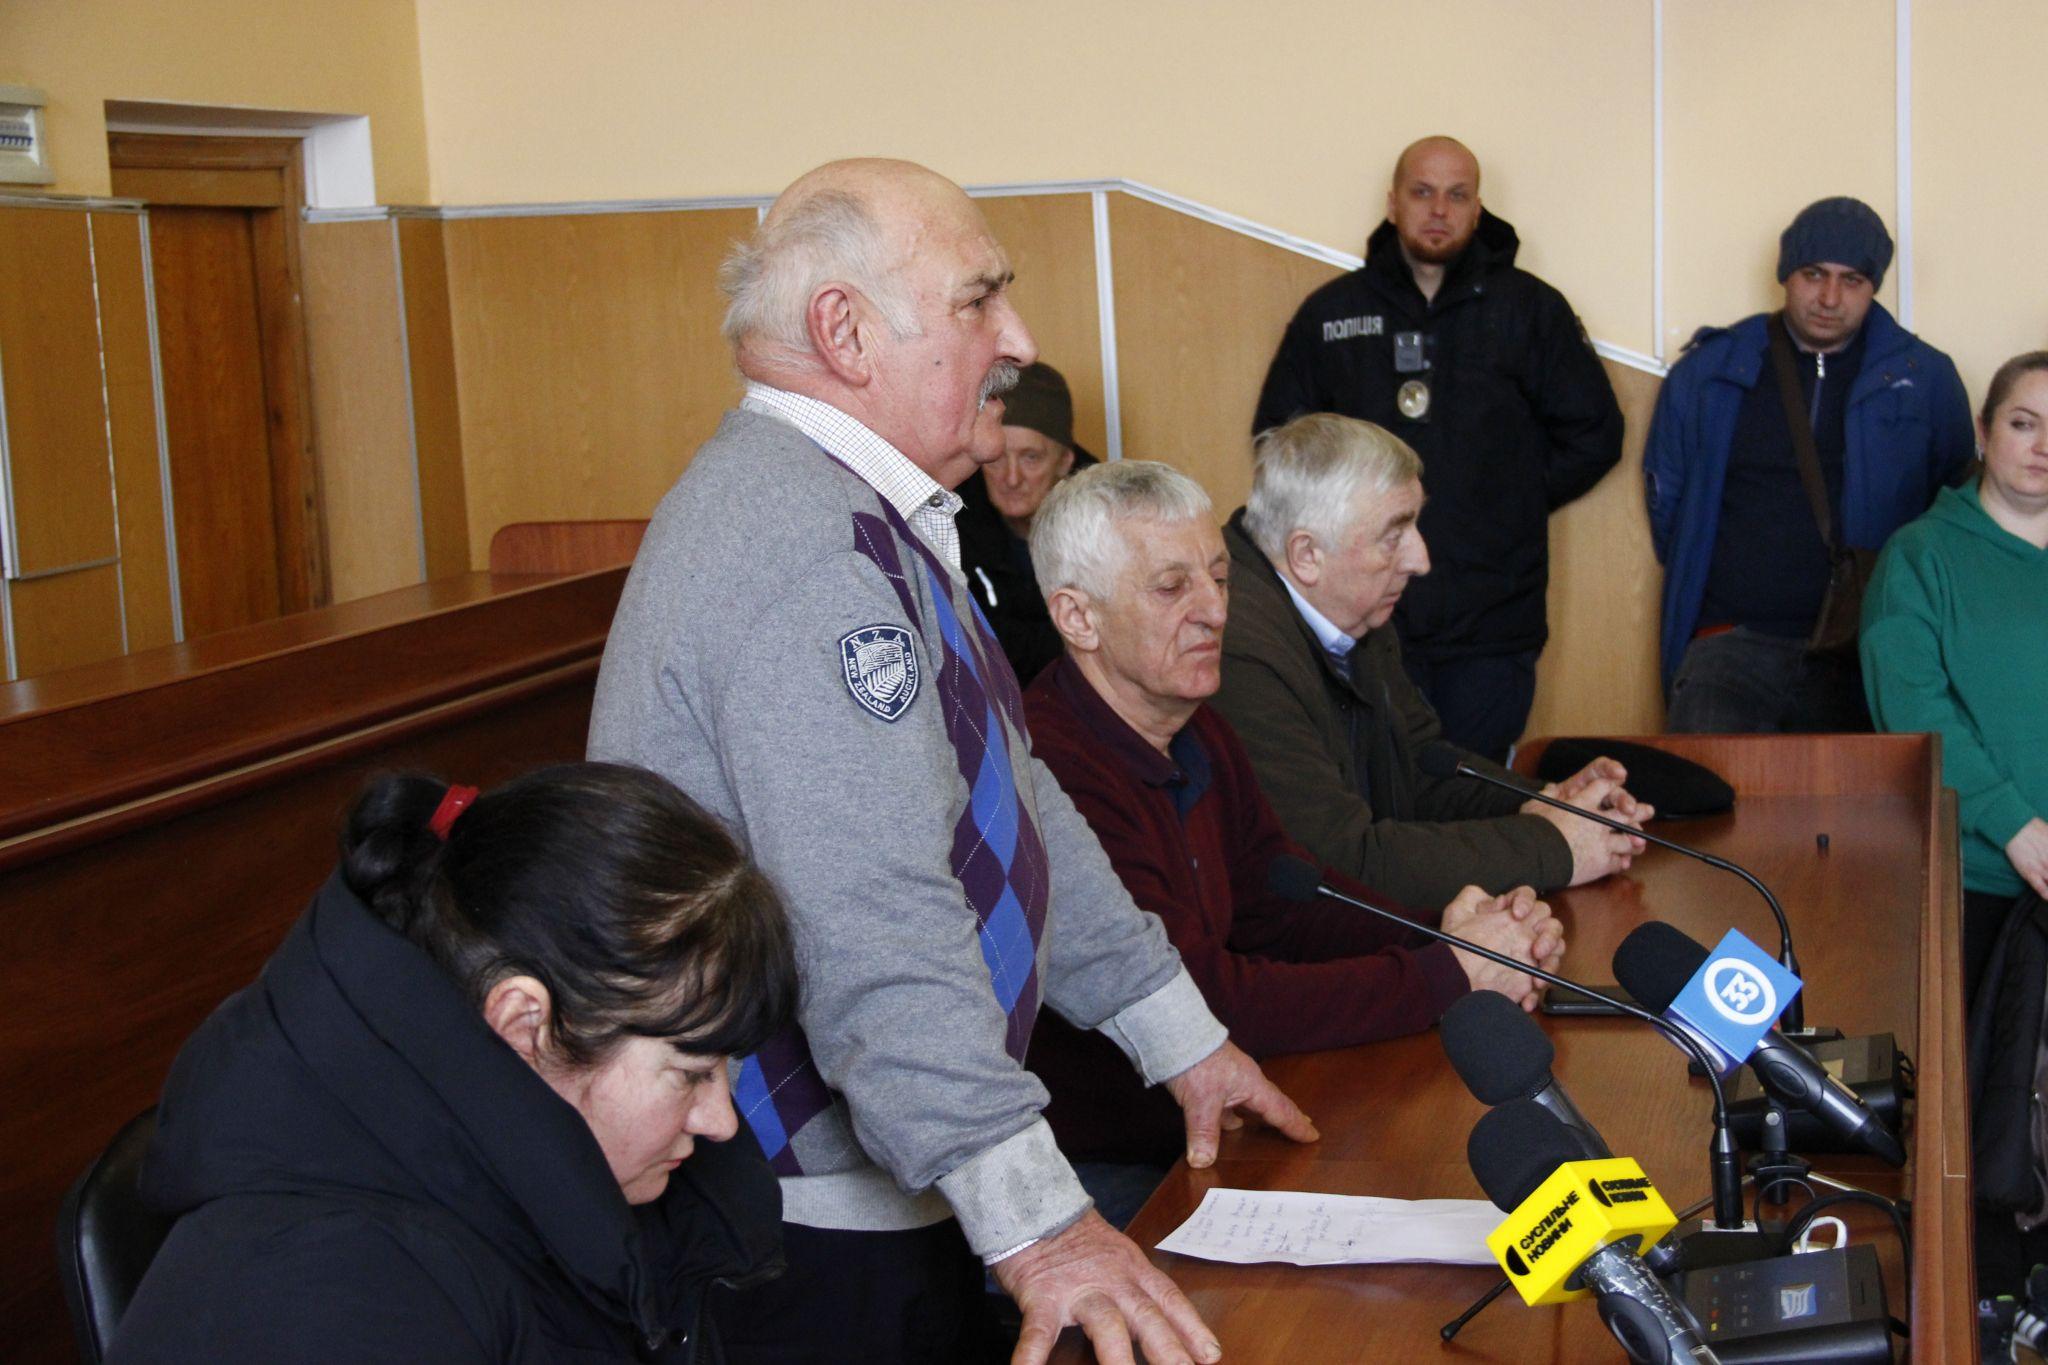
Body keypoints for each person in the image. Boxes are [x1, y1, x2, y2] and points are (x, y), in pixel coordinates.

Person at [588, 158, 1314, 1365]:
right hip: (802, 1221)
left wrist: (1176, 1038)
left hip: (882, 1184)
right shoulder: (807, 550)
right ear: (844, 332)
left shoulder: (862, 510)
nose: (1016, 340)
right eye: (979, 300)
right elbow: (869, 923)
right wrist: (1043, 1229)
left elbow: (1010, 801)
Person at [108, 763, 800, 1364]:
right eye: (690, 1072)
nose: (720, 1121)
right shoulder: (323, 1301)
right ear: (525, 1024)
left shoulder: (578, 1173)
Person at [1018, 460, 1565, 1219]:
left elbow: (1286, 903)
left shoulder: (1199, 728)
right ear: (1078, 617)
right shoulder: (1051, 767)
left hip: (1224, 1121)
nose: (1216, 610)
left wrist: (1447, 933)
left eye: (1220, 577)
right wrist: (1447, 973)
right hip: (1106, 1173)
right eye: (1173, 588)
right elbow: (1199, 1000)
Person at [1252, 135, 1623, 762]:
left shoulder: (1531, 310)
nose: (1439, 210)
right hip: (1359, 617)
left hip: (1491, 623)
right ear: (1393, 202)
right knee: (1370, 791)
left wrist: (1511, 499)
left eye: (1457, 195)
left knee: (1474, 790)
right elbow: (1280, 445)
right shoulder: (1333, 313)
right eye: (1422, 192)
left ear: (1478, 208)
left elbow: (1596, 433)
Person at [1211, 412, 1650, 913]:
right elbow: (1339, 865)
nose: (1420, 560)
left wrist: (1546, 802)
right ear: (1307, 554)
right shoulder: (1238, 652)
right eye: (1394, 535)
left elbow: (1420, 769)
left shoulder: (1354, 611)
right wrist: (1554, 844)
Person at [1862, 350, 2048, 1311]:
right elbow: (1915, 707)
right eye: (2024, 422)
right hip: (1981, 880)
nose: (2043, 446)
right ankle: (1987, 1300)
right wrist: (2015, 824)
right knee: (1984, 1117)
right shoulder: (1923, 555)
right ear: (1983, 432)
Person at [1646, 195, 1975, 732]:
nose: (1829, 298)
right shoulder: (1711, 371)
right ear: (1786, 274)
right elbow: (1669, 505)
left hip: (1868, 647)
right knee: (1701, 787)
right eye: (1814, 274)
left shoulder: (1925, 378)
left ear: (1873, 287)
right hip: (1727, 646)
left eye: (1852, 280)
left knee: (1869, 792)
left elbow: (1954, 510)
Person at [958, 361, 1097, 684]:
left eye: (1031, 458)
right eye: (997, 458)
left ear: (1065, 461)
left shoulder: (1105, 524)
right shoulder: (951, 519)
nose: (1012, 478)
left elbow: (1115, 637)